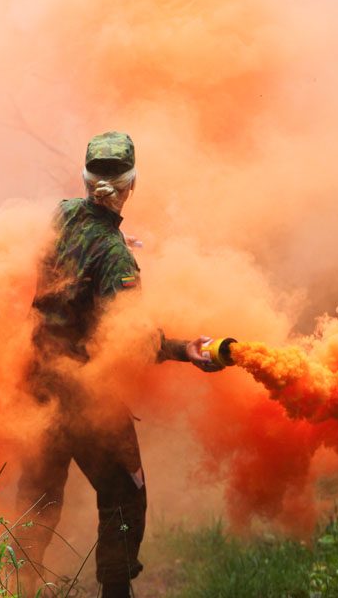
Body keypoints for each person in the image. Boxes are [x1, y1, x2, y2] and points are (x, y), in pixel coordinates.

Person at [16, 131, 220, 597]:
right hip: (84, 395)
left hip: (38, 380)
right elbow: (133, 343)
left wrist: (110, 233)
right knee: (125, 496)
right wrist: (186, 349)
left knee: (39, 497)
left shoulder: (65, 214)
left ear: (86, 179)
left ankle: (12, 587)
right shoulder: (114, 257)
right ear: (131, 184)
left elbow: (70, 240)